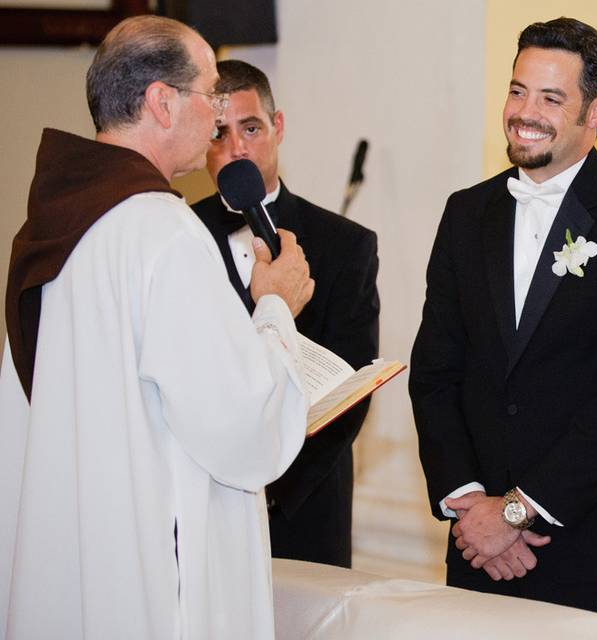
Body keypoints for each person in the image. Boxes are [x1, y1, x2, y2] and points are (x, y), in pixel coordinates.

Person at [0, 16, 315, 639]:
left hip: (73, 552)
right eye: (212, 97)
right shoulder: (159, 229)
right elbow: (243, 426)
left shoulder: (51, 226)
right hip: (150, 572)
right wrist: (275, 306)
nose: (220, 119)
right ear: (161, 102)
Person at [409, 17, 597, 611]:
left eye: (550, 98)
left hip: (591, 543)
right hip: (475, 546)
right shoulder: (466, 213)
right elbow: (435, 371)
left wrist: (517, 511)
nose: (524, 111)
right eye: (517, 90)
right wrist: (471, 506)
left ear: (596, 112)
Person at [193, 60, 379, 568]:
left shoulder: (347, 245)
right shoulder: (179, 236)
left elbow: (348, 397)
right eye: (217, 134)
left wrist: (270, 486)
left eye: (250, 128)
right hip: (203, 502)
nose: (236, 149)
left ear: (277, 128)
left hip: (304, 507)